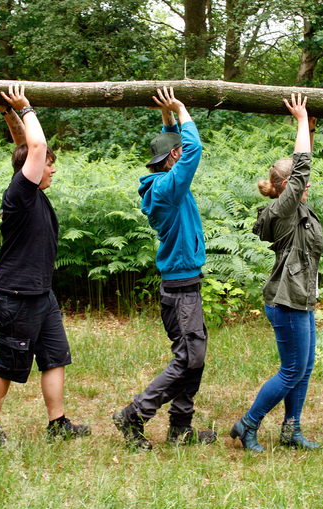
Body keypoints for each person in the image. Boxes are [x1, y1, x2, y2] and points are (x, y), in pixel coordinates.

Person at [0, 84, 90, 447]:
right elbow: (36, 148)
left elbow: (26, 147)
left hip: (41, 294)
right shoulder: (19, 194)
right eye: (49, 166)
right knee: (8, 366)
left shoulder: (34, 192)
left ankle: (57, 423)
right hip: (16, 296)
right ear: (35, 169)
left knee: (55, 357)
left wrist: (10, 115)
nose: (52, 170)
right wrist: (26, 106)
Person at [112, 87, 217, 450]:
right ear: (173, 157)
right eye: (179, 153)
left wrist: (168, 117)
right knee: (190, 357)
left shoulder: (164, 182)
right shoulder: (167, 189)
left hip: (184, 285)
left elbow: (180, 152)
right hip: (181, 289)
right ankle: (134, 415)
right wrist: (184, 108)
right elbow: (194, 151)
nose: (183, 156)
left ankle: (181, 428)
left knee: (193, 358)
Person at [229, 93, 322, 453]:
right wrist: (299, 120)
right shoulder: (282, 209)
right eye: (301, 182)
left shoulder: (297, 205)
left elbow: (301, 174)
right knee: (291, 371)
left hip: (302, 297)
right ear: (287, 187)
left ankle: (291, 431)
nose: (309, 185)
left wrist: (309, 129)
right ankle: (247, 424)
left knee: (304, 369)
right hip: (286, 300)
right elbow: (301, 171)